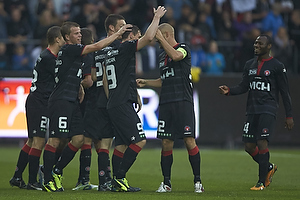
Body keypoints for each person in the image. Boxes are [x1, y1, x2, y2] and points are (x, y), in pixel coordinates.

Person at [42, 21, 132, 192]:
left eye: (80, 33)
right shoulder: (69, 49)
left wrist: (79, 86)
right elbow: (97, 46)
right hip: (61, 101)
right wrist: (118, 33)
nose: (80, 35)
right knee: (55, 140)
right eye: (76, 33)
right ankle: (47, 178)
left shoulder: (72, 52)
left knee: (79, 140)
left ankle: (56, 171)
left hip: (72, 101)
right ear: (67, 37)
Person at [219, 34, 294, 190]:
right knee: (249, 146)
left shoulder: (277, 66)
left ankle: (261, 182)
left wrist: (289, 116)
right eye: (255, 43)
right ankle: (268, 167)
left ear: (269, 46)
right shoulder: (249, 64)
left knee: (262, 142)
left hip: (268, 108)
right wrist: (229, 91)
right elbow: (244, 86)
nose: (256, 46)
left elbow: (284, 92)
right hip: (252, 110)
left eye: (260, 44)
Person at [136, 23, 204, 193]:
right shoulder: (162, 57)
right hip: (166, 102)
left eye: (159, 39)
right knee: (166, 142)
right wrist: (147, 82)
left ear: (166, 35)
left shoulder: (183, 49)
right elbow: (163, 80)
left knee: (189, 140)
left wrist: (159, 37)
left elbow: (175, 56)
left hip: (183, 101)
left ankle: (198, 181)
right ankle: (166, 183)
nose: (158, 43)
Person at [104, 6, 166, 192]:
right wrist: (156, 18)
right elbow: (148, 38)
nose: (137, 40)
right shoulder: (125, 48)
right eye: (135, 37)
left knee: (122, 144)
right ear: (130, 37)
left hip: (116, 101)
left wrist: (131, 94)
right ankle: (119, 178)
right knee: (139, 140)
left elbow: (109, 80)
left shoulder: (110, 51)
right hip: (121, 103)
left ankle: (117, 181)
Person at [9, 26, 65, 190]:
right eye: (63, 37)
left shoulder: (47, 55)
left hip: (37, 101)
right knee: (38, 141)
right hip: (39, 102)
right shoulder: (49, 58)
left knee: (32, 141)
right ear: (57, 39)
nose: (65, 40)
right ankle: (32, 181)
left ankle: (17, 177)